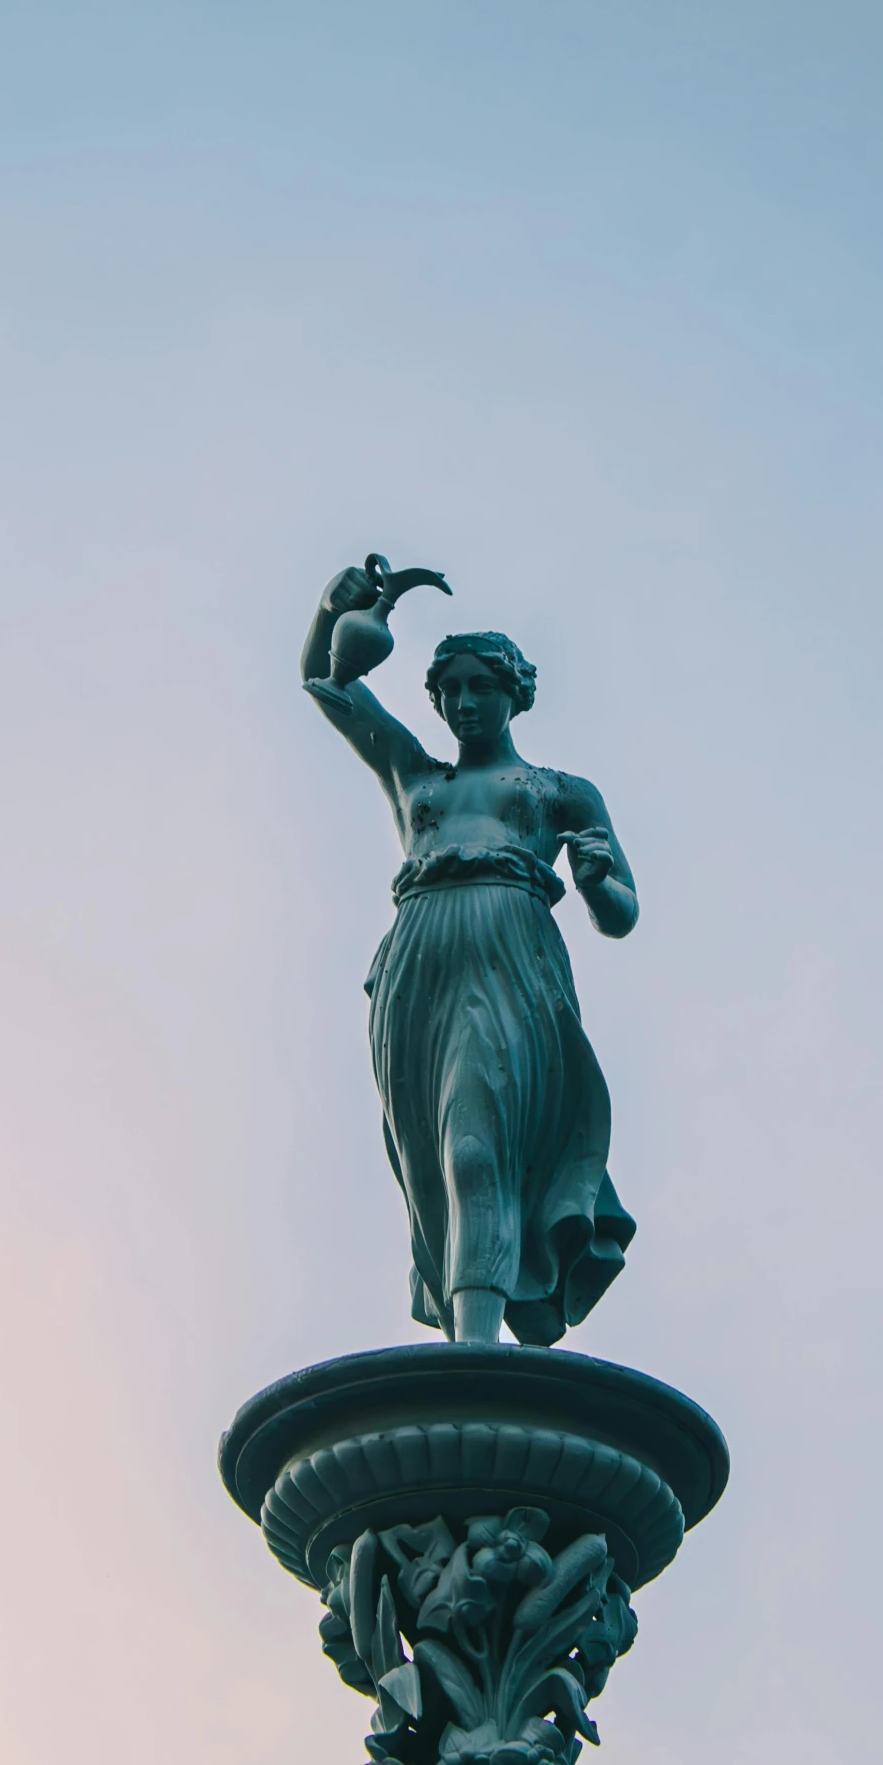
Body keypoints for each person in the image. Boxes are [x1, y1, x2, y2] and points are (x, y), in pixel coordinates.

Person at [301, 564, 638, 1346]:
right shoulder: (413, 774)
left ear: (513, 692)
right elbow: (325, 680)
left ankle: (477, 1345)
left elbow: (620, 913)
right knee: (429, 1157)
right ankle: (465, 1328)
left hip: (509, 954)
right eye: (449, 690)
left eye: (479, 686)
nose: (463, 703)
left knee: (477, 1144)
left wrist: (591, 882)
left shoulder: (559, 791)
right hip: (418, 957)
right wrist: (331, 608)